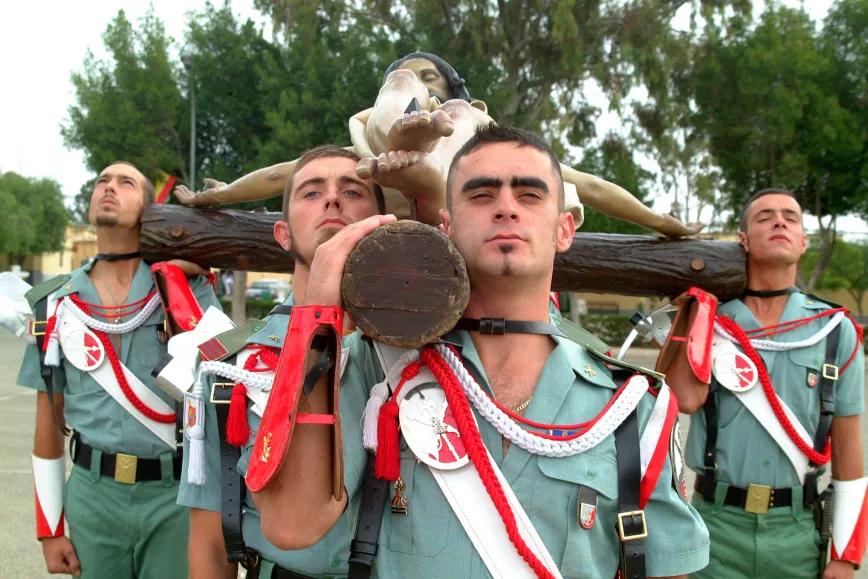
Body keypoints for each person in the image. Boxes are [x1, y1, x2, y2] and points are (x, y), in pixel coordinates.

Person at [250, 125, 710, 578]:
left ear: (564, 228)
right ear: (445, 226)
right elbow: (291, 525)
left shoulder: (630, 405)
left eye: (529, 195)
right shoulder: (376, 370)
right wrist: (315, 318)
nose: (506, 207)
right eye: (482, 194)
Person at [172, 52, 703, 238]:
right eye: (407, 78)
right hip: (398, 270)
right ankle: (415, 165)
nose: (420, 82)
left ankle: (432, 171)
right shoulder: (365, 157)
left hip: (473, 260)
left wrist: (662, 222)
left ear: (452, 92)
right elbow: (284, 173)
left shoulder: (495, 155)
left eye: (429, 78)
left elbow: (583, 184)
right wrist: (213, 199)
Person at [177, 145, 387, 578]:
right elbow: (209, 543)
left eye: (353, 190)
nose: (332, 199)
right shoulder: (228, 365)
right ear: (283, 235)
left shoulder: (419, 354)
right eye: (311, 192)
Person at [17, 161, 220, 578]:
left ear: (149, 209)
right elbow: (47, 423)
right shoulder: (55, 306)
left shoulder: (188, 289)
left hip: (174, 496)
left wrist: (179, 286)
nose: (109, 187)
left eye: (125, 183)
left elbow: (222, 383)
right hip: (93, 496)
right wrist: (50, 528)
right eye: (101, 182)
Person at [660, 189, 865, 578]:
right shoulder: (714, 320)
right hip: (715, 526)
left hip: (797, 533)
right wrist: (693, 312)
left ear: (804, 241)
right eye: (765, 216)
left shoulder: (835, 330)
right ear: (743, 239)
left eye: (790, 216)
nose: (779, 221)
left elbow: (851, 455)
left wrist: (845, 555)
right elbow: (683, 398)